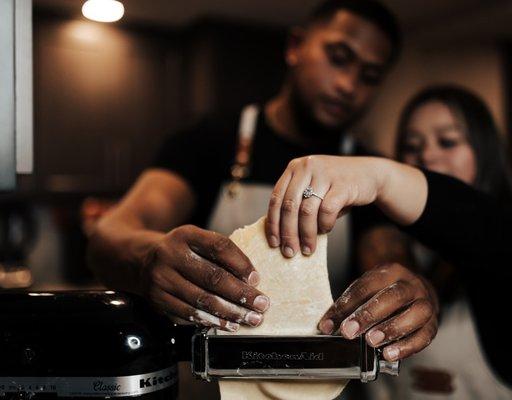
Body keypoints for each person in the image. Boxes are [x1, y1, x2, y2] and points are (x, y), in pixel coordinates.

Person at [88, 1, 439, 398]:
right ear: (295, 47)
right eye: (339, 58)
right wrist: (147, 257)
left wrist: (406, 293)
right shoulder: (208, 143)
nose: (348, 85)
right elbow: (108, 234)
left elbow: (387, 262)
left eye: (370, 76)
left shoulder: (368, 176)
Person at [349, 86, 512, 398]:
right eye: (411, 145)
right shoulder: (386, 241)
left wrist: (381, 178)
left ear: (485, 153)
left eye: (447, 141)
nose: (427, 156)